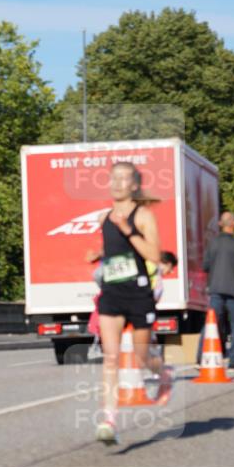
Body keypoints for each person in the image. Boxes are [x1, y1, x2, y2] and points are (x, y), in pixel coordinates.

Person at [87, 162, 170, 444]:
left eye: (124, 179)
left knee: (141, 355)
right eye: (114, 178)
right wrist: (98, 254)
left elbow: (155, 255)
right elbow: (115, 252)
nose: (118, 183)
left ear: (135, 185)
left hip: (139, 292)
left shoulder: (143, 216)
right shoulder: (103, 218)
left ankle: (163, 374)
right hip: (112, 292)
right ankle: (109, 420)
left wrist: (129, 231)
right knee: (110, 357)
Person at [196, 211, 234, 371]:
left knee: (211, 323)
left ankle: (201, 357)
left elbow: (205, 265)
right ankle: (233, 360)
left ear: (220, 224)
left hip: (216, 288)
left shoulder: (212, 243)